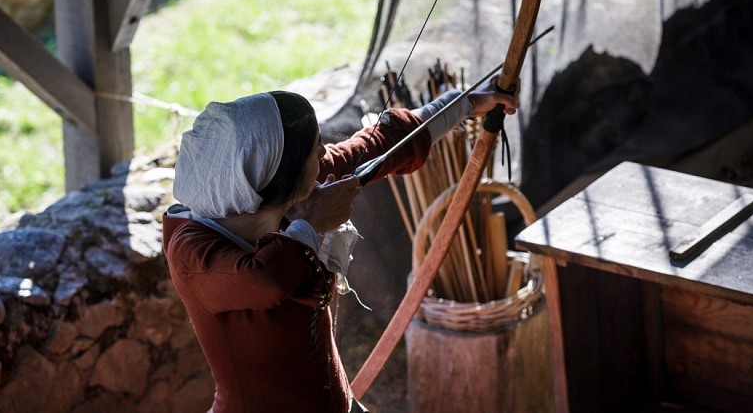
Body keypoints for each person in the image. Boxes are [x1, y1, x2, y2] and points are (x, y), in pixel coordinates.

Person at [162, 78, 519, 413]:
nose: (325, 151)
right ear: (278, 175)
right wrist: (313, 223)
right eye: (315, 149)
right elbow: (265, 281)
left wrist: (466, 103)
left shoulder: (278, 191)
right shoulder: (191, 248)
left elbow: (379, 144)